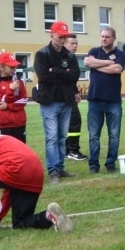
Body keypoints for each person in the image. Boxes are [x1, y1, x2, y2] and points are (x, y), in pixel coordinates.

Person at [0, 117, 73, 235]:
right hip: (35, 175)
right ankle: (49, 216)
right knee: (20, 223)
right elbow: (10, 188)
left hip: (16, 169)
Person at [33, 21, 81, 184]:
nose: (62, 40)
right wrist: (64, 74)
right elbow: (44, 76)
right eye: (60, 36)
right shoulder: (42, 54)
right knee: (52, 137)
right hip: (49, 102)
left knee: (61, 137)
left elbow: (75, 75)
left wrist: (56, 71)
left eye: (64, 37)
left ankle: (60, 168)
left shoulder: (69, 55)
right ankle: (53, 170)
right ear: (51, 35)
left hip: (66, 101)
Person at [84, 27, 125, 173]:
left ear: (114, 38)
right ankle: (93, 165)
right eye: (102, 36)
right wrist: (108, 63)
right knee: (94, 135)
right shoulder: (93, 51)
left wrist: (98, 65)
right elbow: (88, 63)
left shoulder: (120, 53)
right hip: (95, 100)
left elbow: (117, 70)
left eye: (107, 37)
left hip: (113, 101)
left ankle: (110, 164)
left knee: (114, 135)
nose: (104, 39)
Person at [0, 52, 28, 142]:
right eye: (11, 67)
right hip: (5, 124)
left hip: (19, 122)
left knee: (21, 149)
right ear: (2, 67)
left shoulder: (19, 82)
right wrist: (11, 90)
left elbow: (24, 100)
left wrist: (9, 106)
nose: (14, 69)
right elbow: (1, 103)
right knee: (6, 149)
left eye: (15, 67)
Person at [64, 34, 87, 161]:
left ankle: (67, 149)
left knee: (71, 122)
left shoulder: (71, 58)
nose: (75, 46)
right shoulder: (64, 59)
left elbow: (72, 79)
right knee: (74, 121)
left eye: (76, 43)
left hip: (70, 94)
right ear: (65, 44)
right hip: (63, 97)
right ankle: (72, 150)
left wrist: (76, 92)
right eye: (72, 43)